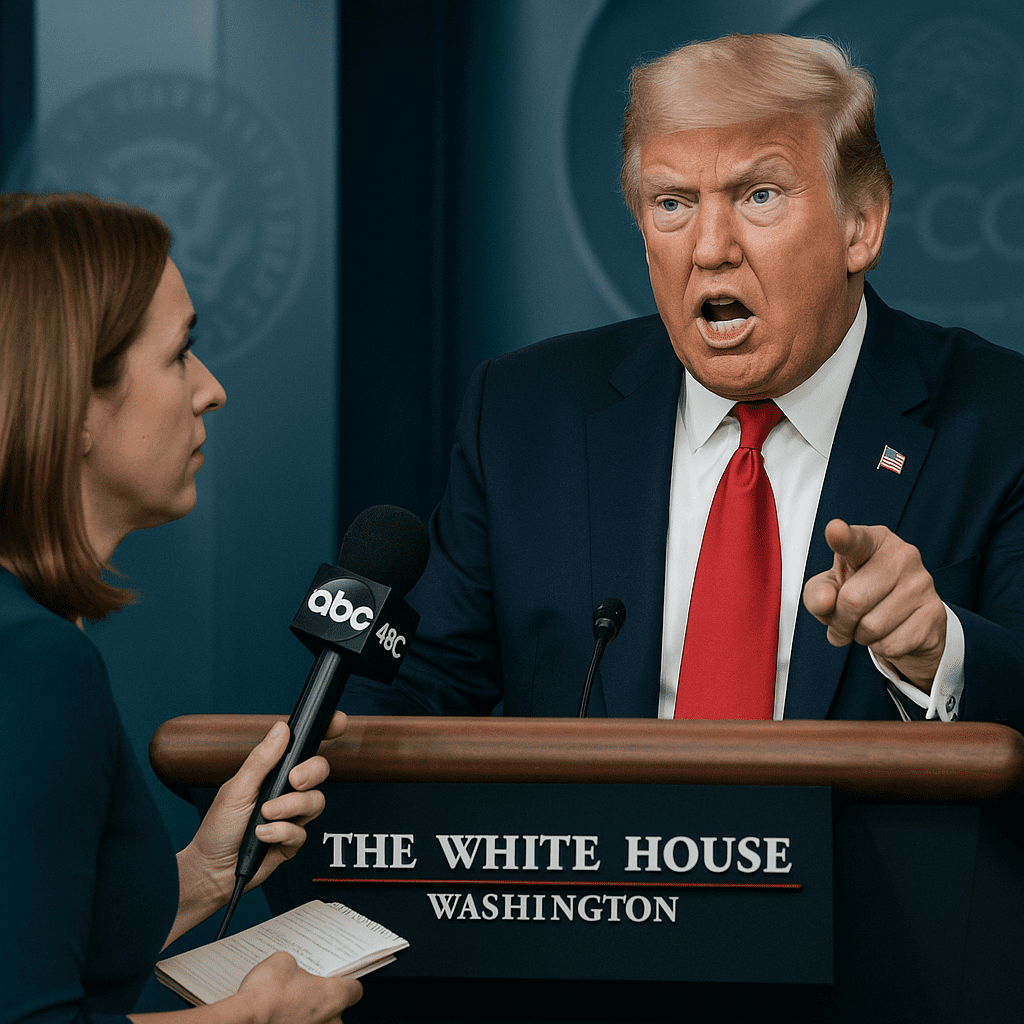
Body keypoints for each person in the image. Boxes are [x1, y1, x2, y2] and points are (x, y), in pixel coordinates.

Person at [339, 33, 1024, 730]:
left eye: (759, 194)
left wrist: (940, 651)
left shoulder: (999, 421)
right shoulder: (524, 416)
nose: (710, 248)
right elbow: (417, 685)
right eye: (672, 203)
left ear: (862, 224)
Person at [0, 193, 362, 1024]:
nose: (212, 390)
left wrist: (202, 871)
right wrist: (257, 1019)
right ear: (78, 404)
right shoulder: (33, 662)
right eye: (179, 355)